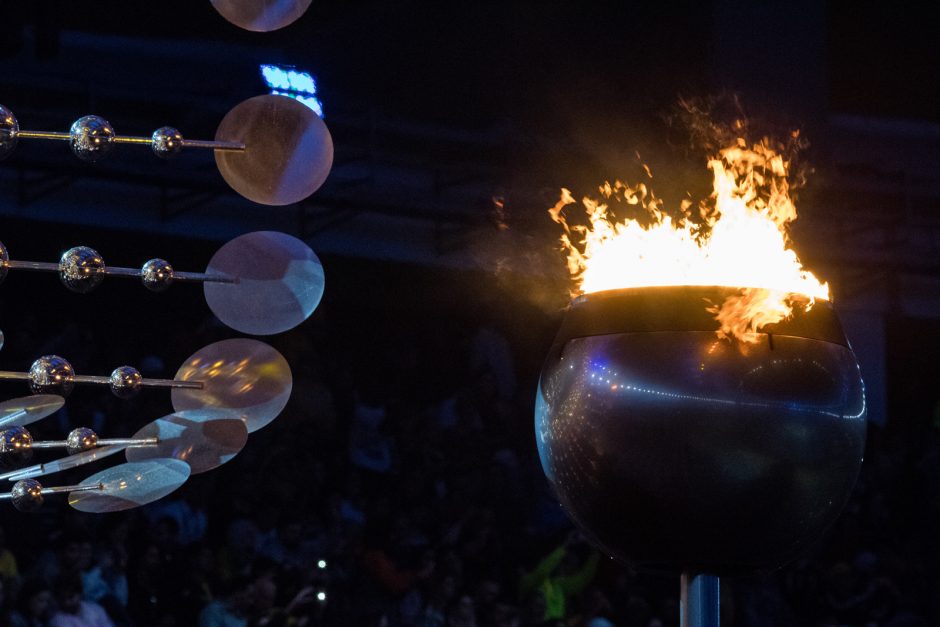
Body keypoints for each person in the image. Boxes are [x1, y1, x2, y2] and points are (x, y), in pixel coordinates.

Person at [519, 532, 599, 624]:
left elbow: (582, 579)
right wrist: (566, 546)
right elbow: (542, 572)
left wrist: (594, 552)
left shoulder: (557, 585)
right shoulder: (527, 584)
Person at [49, 573, 114, 627]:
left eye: (70, 597)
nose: (66, 602)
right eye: (62, 598)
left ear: (80, 594)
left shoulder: (96, 610)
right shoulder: (57, 620)